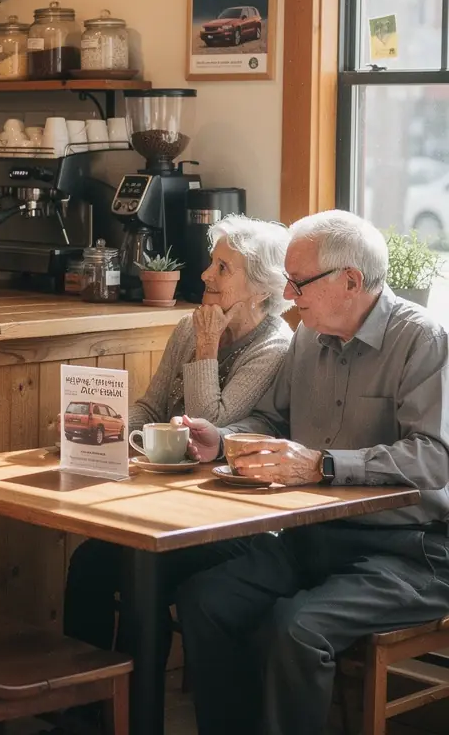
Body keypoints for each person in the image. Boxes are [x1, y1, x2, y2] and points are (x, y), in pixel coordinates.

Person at [175, 209, 449, 735]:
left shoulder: (423, 339)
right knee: (206, 600)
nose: (290, 297)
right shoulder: (307, 338)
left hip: (412, 550)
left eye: (298, 283)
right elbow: (271, 420)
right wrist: (222, 440)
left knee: (297, 628)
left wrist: (323, 465)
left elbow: (434, 457)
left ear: (350, 281)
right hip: (316, 537)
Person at [64, 214, 292, 671]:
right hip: (164, 503)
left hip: (228, 520)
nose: (206, 274)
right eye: (212, 263)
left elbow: (211, 425)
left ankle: (132, 706)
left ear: (262, 289)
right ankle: (82, 706)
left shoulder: (275, 347)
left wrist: (208, 347)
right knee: (89, 561)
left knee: (141, 574)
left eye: (223, 268)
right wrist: (103, 431)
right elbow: (151, 406)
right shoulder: (193, 326)